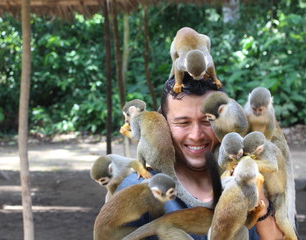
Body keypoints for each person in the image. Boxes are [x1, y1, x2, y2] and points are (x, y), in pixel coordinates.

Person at [116, 73, 284, 239]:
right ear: (163, 125)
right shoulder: (137, 188)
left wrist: (261, 204)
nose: (196, 135)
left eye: (207, 122)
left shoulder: (259, 177)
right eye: (183, 123)